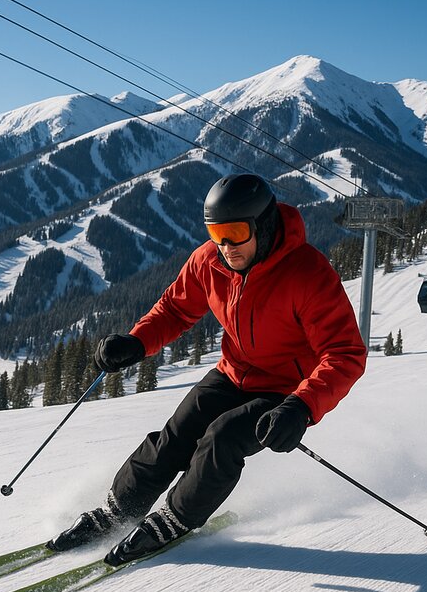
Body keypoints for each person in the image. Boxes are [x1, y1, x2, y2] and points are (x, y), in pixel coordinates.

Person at [47, 173, 367, 566]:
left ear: (263, 226)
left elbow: (345, 353)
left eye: (235, 232)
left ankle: (176, 517)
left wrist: (302, 406)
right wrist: (137, 341)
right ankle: (118, 511)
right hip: (233, 372)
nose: (226, 246)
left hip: (284, 391)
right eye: (217, 233)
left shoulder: (307, 274)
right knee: (175, 435)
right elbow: (177, 309)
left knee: (222, 438)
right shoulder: (210, 261)